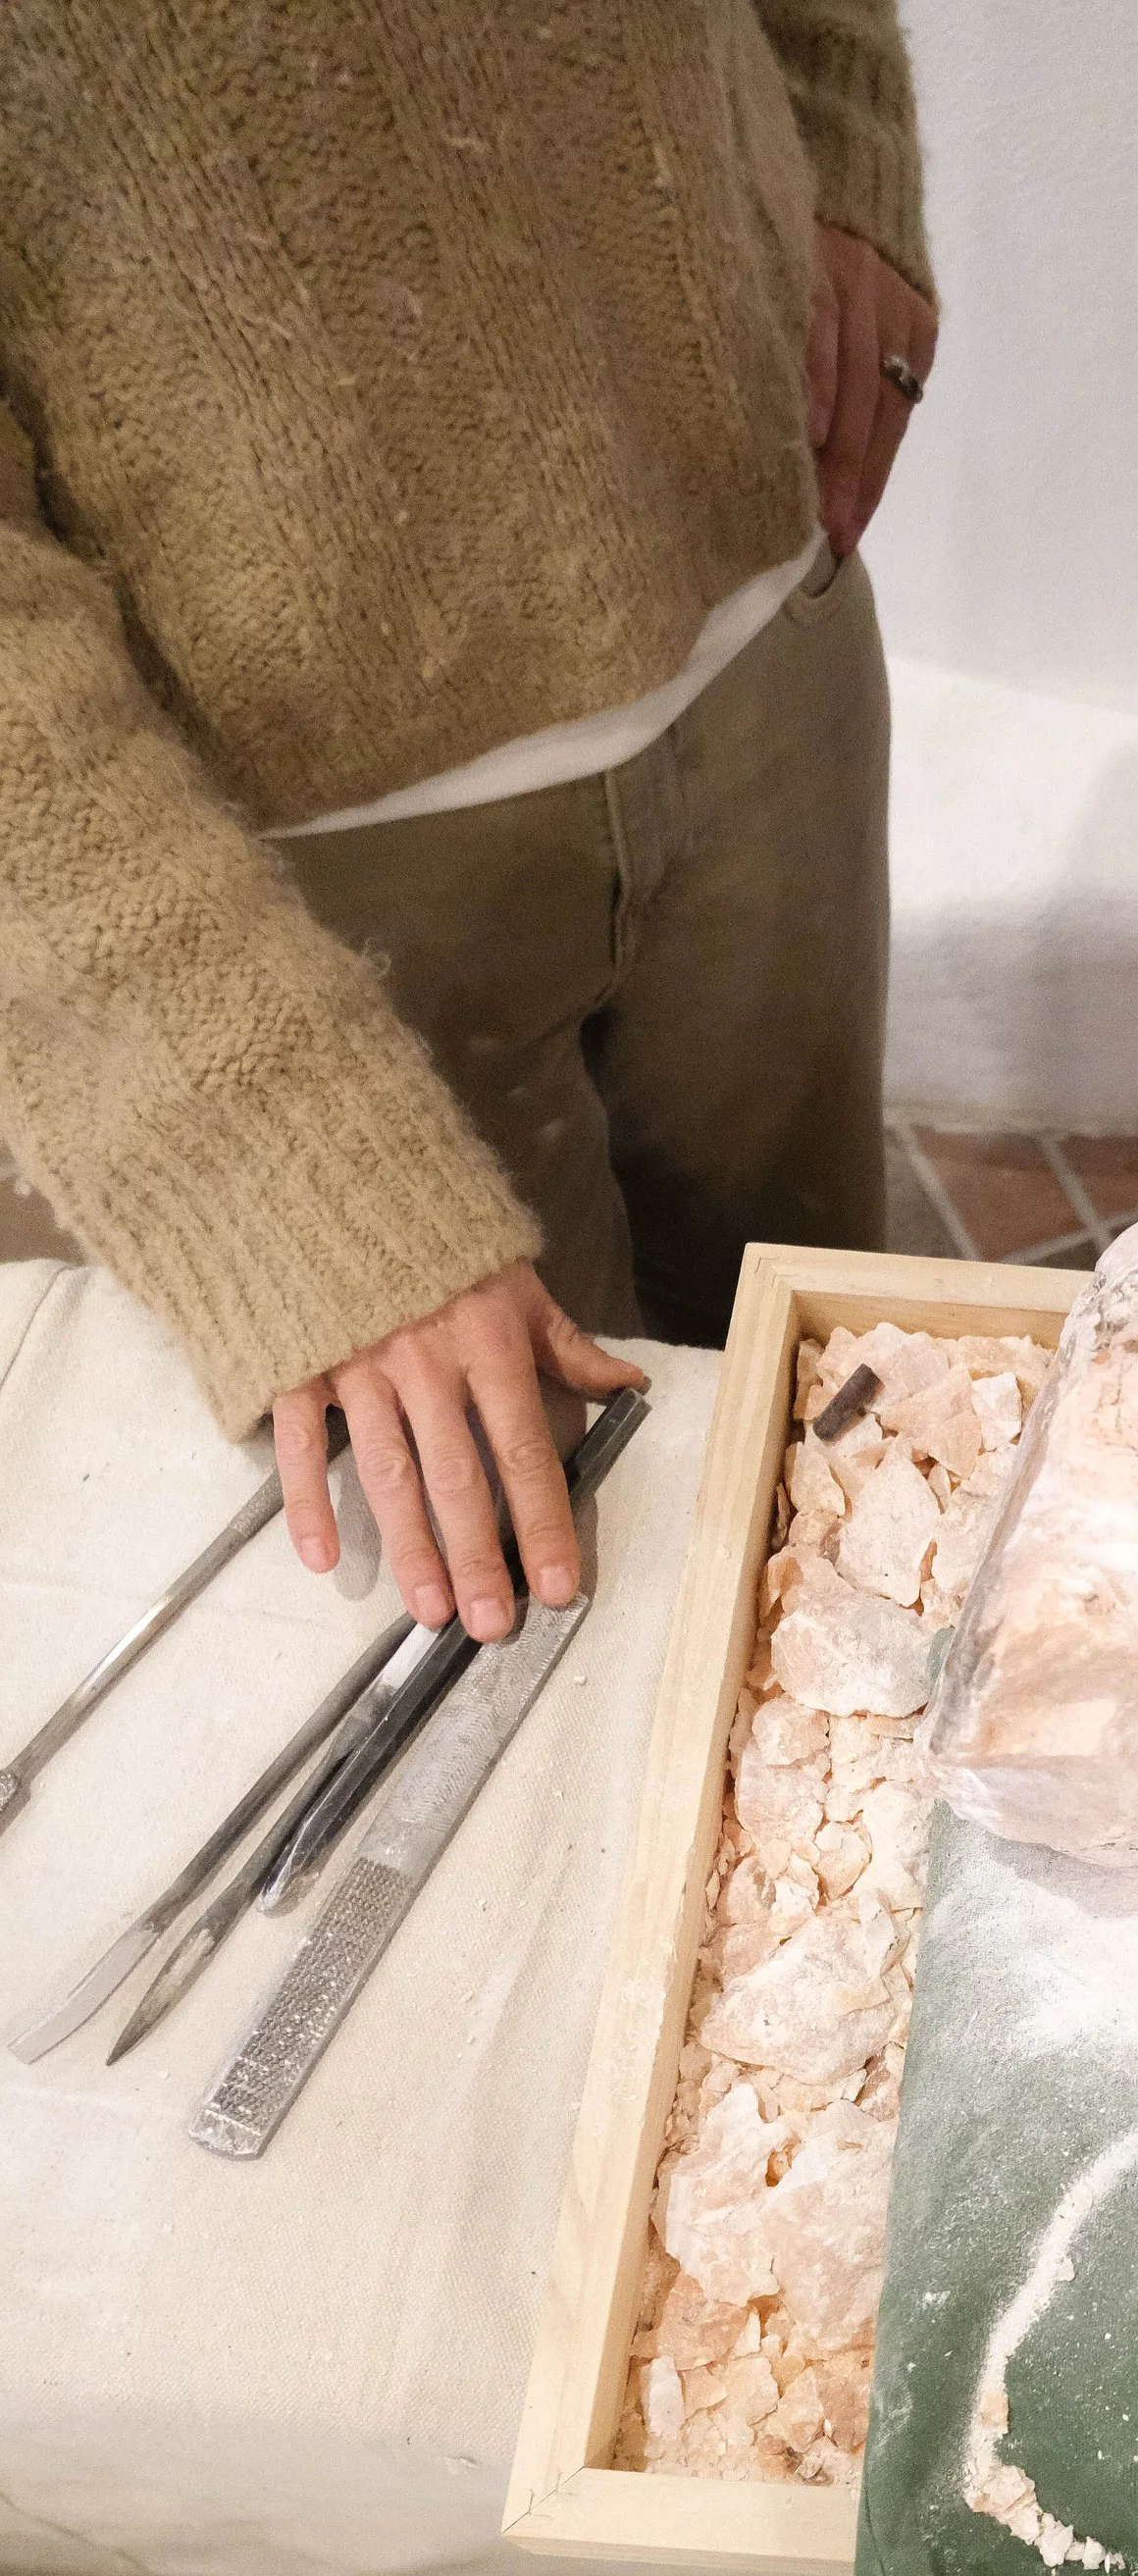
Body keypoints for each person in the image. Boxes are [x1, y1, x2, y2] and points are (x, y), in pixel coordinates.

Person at [0, 1, 933, 1646]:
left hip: (770, 646)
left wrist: (841, 134)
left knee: (841, 1481)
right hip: (281, 883)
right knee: (550, 1644)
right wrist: (266, 1153)